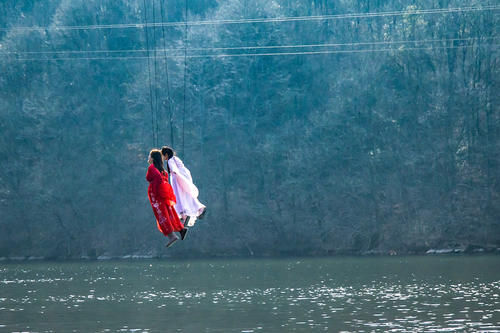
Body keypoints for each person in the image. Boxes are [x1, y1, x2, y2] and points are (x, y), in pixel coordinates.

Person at [146, 149, 188, 247]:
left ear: (152, 158)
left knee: (162, 216)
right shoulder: (163, 170)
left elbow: (158, 179)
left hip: (157, 196)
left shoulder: (152, 168)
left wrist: (156, 191)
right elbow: (162, 180)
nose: (148, 158)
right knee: (169, 212)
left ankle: (172, 236)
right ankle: (181, 229)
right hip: (163, 195)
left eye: (149, 156)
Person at [161, 146, 206, 227]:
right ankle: (199, 208)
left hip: (177, 180)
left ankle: (184, 215)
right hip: (184, 177)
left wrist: (176, 174)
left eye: (163, 156)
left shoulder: (170, 161)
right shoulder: (175, 158)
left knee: (179, 198)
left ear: (166, 155)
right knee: (187, 195)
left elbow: (174, 170)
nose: (163, 158)